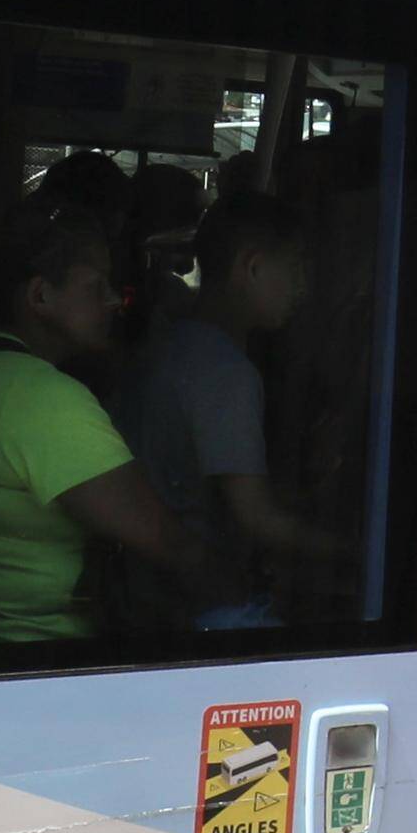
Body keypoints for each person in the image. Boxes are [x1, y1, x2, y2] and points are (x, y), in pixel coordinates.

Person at [0, 195, 210, 643]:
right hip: (50, 655)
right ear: (40, 295)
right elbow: (169, 543)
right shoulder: (39, 398)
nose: (115, 301)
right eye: (96, 288)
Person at [123, 190, 315, 625]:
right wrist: (357, 549)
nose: (303, 285)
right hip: (191, 601)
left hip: (144, 588)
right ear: (252, 266)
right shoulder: (225, 372)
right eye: (297, 265)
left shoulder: (171, 344)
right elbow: (257, 518)